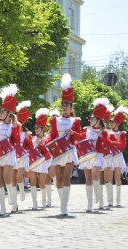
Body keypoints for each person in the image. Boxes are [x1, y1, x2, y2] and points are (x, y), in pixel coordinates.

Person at [48, 74, 82, 215]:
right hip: (58, 151)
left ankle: (64, 206)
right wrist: (47, 142)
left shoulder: (76, 120)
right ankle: (63, 202)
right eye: (63, 104)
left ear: (71, 106)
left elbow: (81, 137)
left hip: (69, 151)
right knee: (58, 180)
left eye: (67, 104)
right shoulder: (55, 120)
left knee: (66, 177)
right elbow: (52, 136)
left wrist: (73, 132)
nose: (64, 107)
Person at [0, 84, 20, 216]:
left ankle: (13, 197)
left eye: (3, 111)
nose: (0, 113)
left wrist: (14, 128)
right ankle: (2, 207)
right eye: (0, 111)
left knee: (7, 177)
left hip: (8, 154)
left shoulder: (15, 126)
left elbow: (16, 141)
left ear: (9, 114)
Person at [78, 98, 110, 212]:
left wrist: (101, 134)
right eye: (90, 118)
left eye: (92, 118)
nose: (90, 120)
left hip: (98, 155)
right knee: (88, 180)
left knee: (95, 174)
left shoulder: (104, 132)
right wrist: (73, 134)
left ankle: (98, 195)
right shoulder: (86, 130)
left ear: (98, 120)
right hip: (87, 156)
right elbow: (79, 138)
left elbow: (108, 144)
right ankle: (90, 205)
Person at [107, 106, 128, 206]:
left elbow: (123, 146)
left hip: (118, 156)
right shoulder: (107, 132)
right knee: (109, 178)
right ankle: (110, 201)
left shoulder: (122, 134)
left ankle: (118, 200)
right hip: (109, 156)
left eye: (113, 122)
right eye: (111, 122)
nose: (111, 123)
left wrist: (112, 142)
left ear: (118, 123)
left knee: (117, 178)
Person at [29, 108, 51, 210]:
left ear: (42, 129)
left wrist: (41, 145)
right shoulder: (33, 139)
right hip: (33, 162)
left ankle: (43, 201)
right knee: (33, 181)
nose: (36, 129)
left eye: (38, 128)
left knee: (41, 182)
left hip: (43, 162)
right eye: (35, 128)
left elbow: (48, 155)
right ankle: (34, 203)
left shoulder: (46, 139)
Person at [15, 100, 32, 203]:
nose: (18, 124)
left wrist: (28, 138)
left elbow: (30, 147)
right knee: (13, 178)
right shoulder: (11, 130)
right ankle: (17, 194)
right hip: (13, 155)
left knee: (18, 176)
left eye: (20, 123)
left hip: (22, 156)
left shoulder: (26, 134)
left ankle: (21, 190)